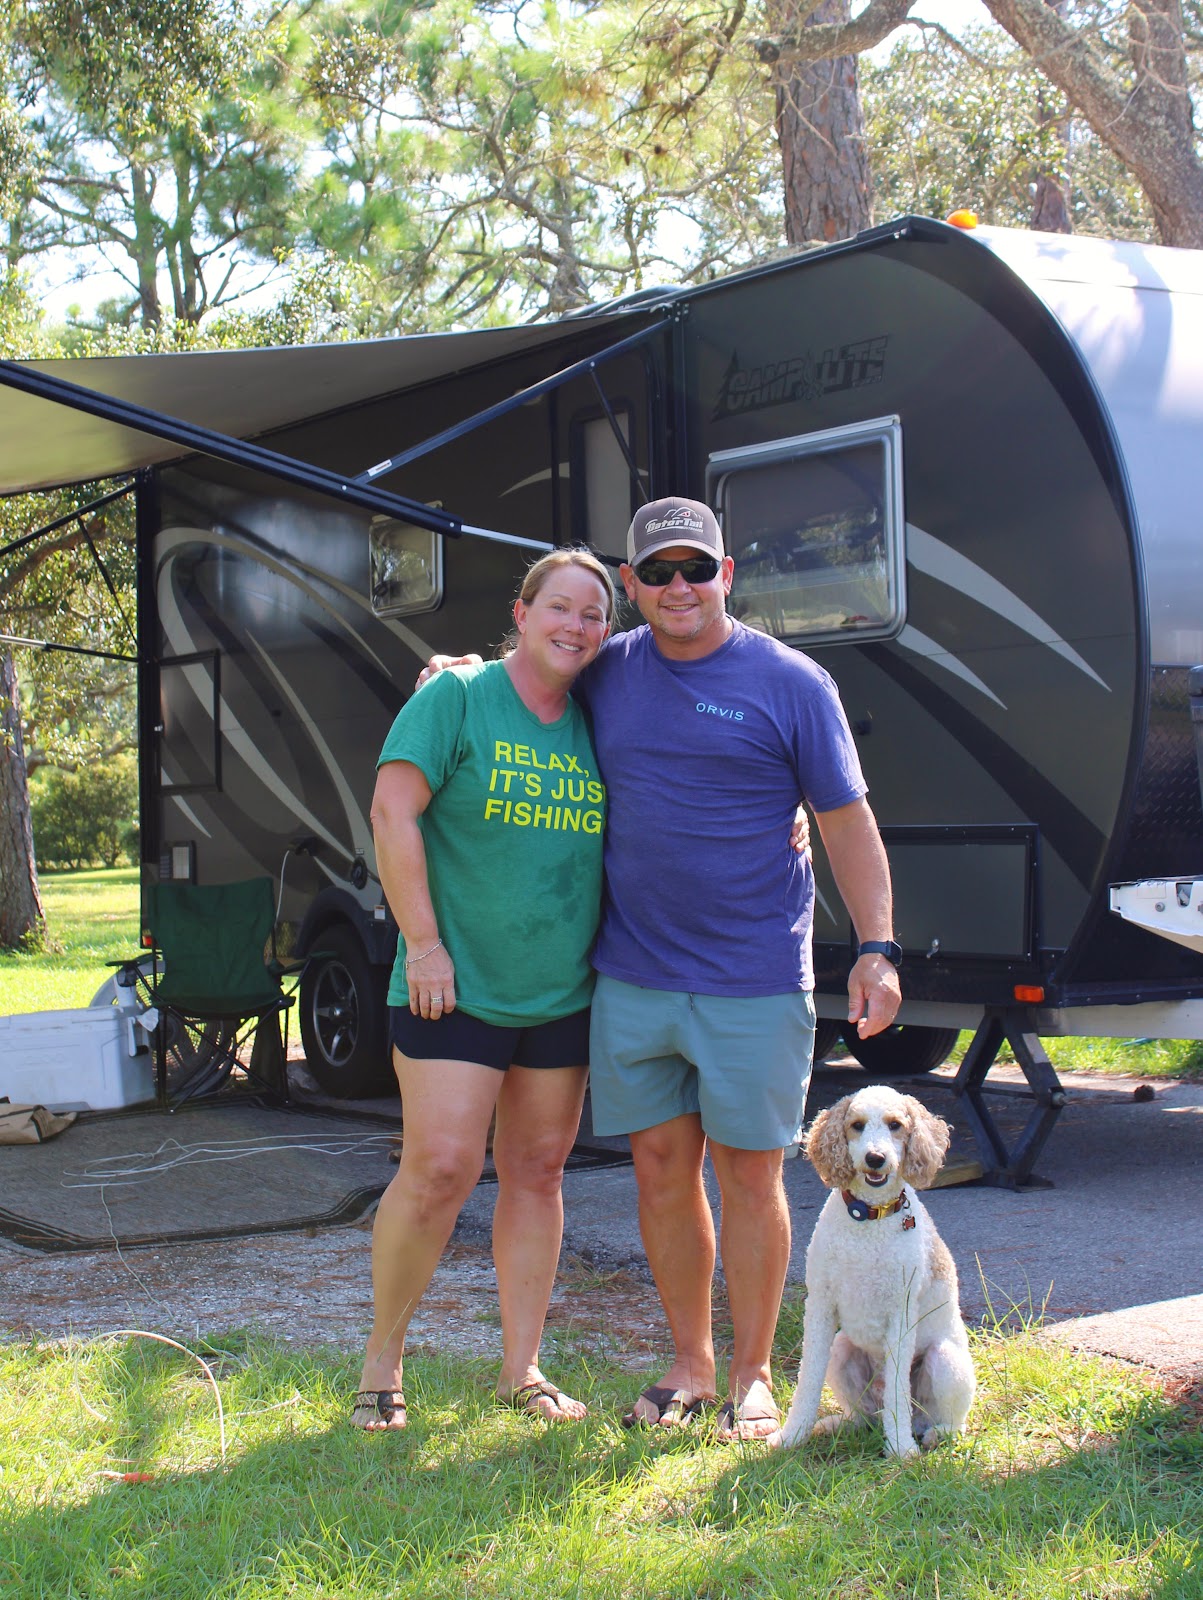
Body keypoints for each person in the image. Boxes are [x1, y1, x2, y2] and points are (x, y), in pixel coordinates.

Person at [422, 496, 901, 1441]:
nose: (677, 586)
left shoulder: (792, 683)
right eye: (656, 572)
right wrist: (459, 672)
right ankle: (691, 1363)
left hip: (752, 976)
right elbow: (531, 672)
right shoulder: (608, 668)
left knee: (749, 1177)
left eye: (696, 568)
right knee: (657, 1171)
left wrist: (876, 947)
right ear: (632, 584)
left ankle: (753, 1377)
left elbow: (846, 820)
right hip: (633, 973)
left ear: (726, 575)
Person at [352, 548, 615, 1431]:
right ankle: (382, 1363)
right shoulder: (456, 697)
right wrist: (423, 945)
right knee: (439, 1169)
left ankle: (521, 1370)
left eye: (593, 615)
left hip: (560, 993)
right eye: (560, 607)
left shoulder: (599, 717)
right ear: (521, 612)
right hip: (451, 985)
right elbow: (392, 812)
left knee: (537, 1173)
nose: (575, 625)